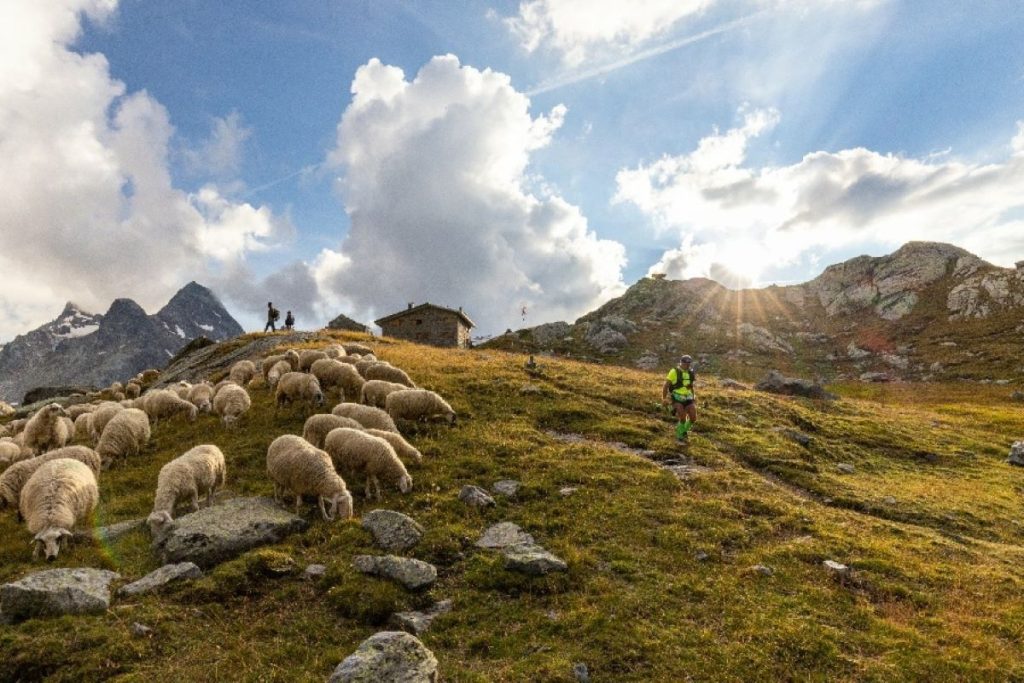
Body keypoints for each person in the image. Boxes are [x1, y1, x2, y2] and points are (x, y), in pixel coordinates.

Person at [662, 354, 697, 443]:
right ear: (681, 362)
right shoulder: (674, 371)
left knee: (693, 418)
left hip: (688, 397)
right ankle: (680, 435)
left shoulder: (691, 372)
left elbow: (691, 386)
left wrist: (694, 397)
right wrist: (664, 398)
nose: (687, 365)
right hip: (677, 396)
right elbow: (666, 385)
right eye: (685, 363)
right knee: (682, 417)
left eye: (689, 363)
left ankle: (683, 431)